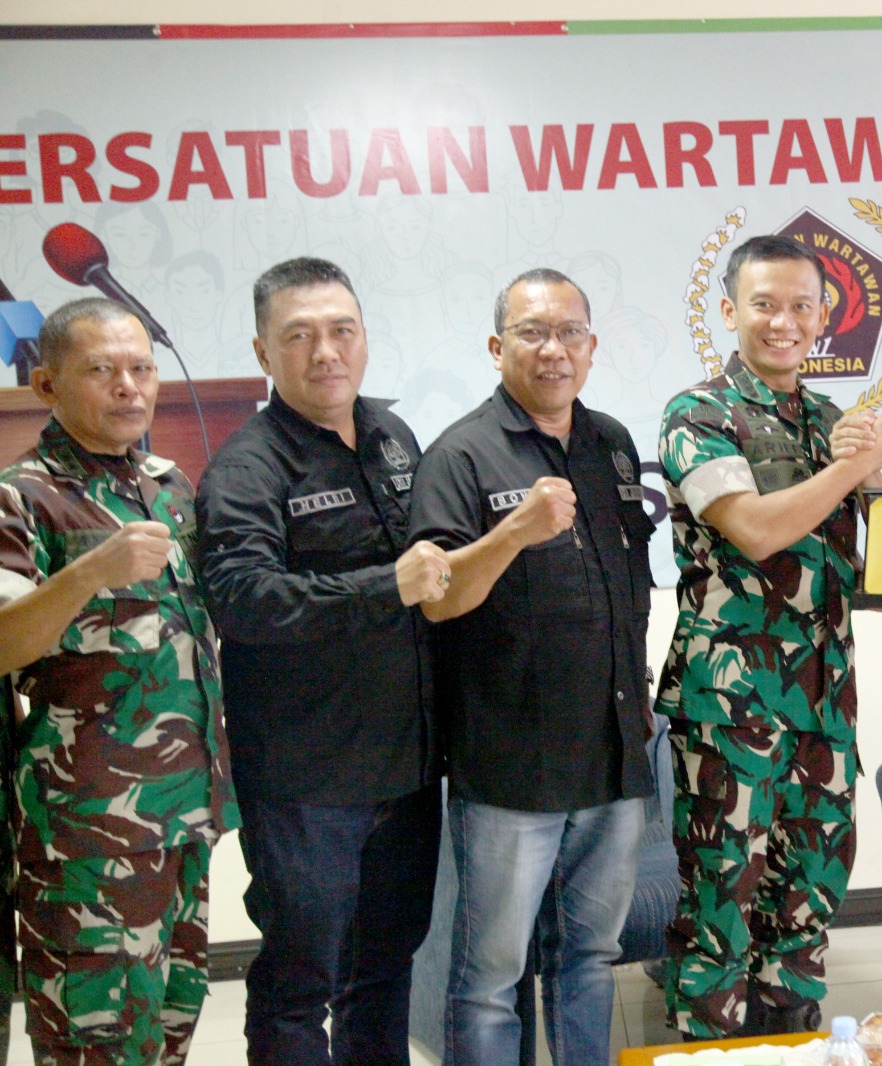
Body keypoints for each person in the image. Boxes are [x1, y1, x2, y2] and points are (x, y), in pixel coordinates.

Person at [194, 257, 449, 1065]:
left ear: (365, 336)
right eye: (299, 336)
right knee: (301, 983)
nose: (326, 352)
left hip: (406, 768)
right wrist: (386, 585)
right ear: (263, 353)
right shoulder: (248, 467)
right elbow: (242, 598)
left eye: (342, 330)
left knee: (386, 966)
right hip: (306, 780)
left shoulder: (394, 438)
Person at [407, 268, 655, 1065]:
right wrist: (515, 531)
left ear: (592, 346)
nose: (554, 350)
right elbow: (439, 600)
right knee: (490, 977)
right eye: (533, 333)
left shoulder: (611, 442)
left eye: (569, 333)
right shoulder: (460, 454)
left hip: (612, 754)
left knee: (591, 957)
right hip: (512, 763)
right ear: (496, 346)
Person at [656, 234, 882, 1038]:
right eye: (764, 304)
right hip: (733, 708)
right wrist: (848, 469)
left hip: (824, 701)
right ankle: (712, 1048)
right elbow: (756, 530)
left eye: (801, 306)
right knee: (722, 902)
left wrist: (877, 478)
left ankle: (791, 1038)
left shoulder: (832, 421)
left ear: (824, 317)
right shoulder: (699, 413)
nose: (783, 322)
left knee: (808, 900)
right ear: (730, 311)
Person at [0, 297, 237, 1064]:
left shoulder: (168, 485)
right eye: (102, 370)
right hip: (86, 837)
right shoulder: (20, 495)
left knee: (166, 1035)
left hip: (183, 820)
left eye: (142, 368)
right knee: (93, 1047)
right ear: (47, 385)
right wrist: (88, 573)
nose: (129, 386)